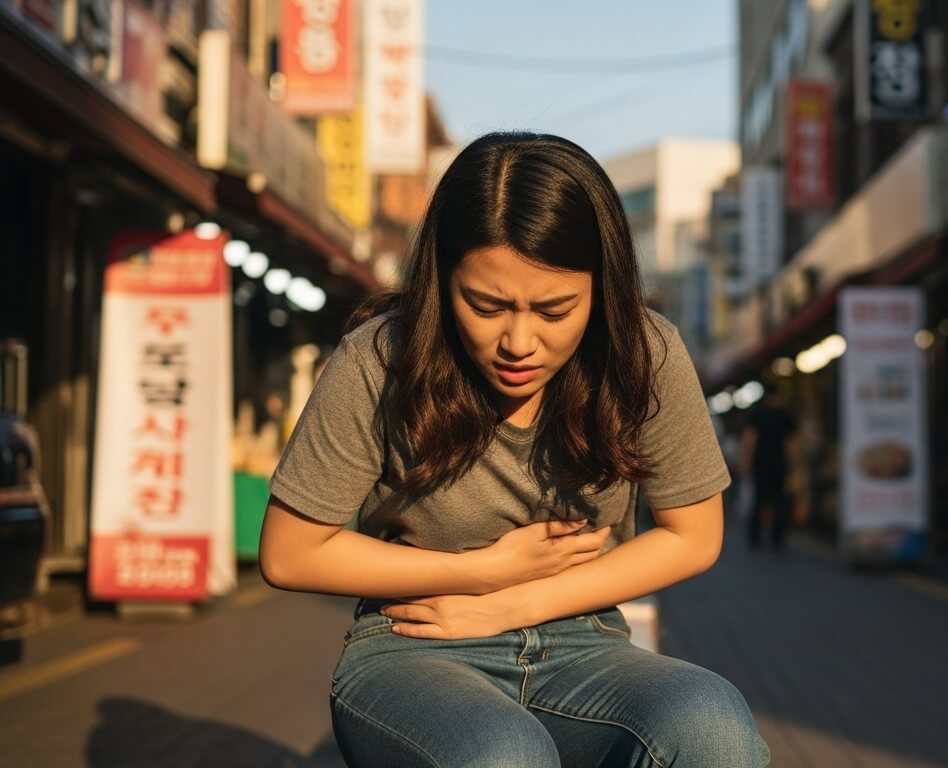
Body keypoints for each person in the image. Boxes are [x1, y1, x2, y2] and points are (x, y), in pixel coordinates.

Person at [258, 132, 770, 768]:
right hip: (415, 646)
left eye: (555, 311)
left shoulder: (644, 354)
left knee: (710, 723)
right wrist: (479, 572)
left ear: (600, 289)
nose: (519, 342)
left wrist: (514, 602)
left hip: (584, 642)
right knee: (503, 755)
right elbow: (289, 553)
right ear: (442, 280)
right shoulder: (380, 359)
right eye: (486, 305)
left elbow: (694, 536)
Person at [737, 384, 798, 553]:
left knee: (761, 500)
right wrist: (793, 464)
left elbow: (749, 441)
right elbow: (791, 444)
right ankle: (775, 539)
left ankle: (757, 537)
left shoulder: (758, 414)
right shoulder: (785, 416)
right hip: (776, 465)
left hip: (763, 464)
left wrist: (746, 461)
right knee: (776, 501)